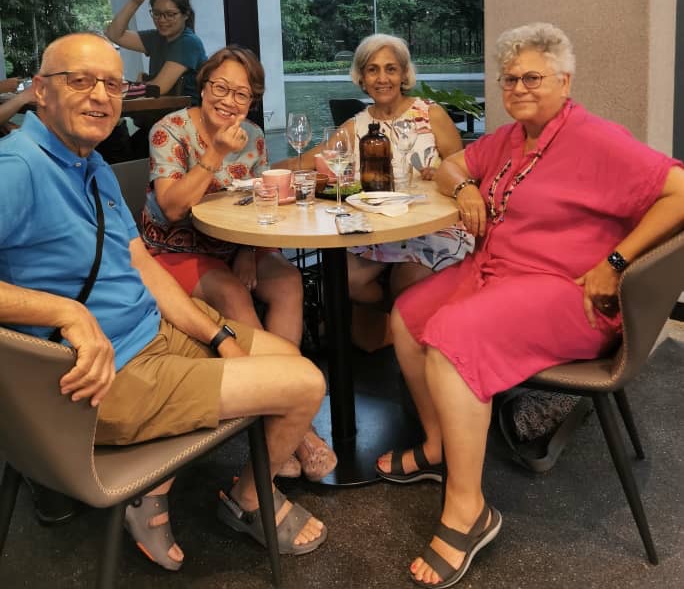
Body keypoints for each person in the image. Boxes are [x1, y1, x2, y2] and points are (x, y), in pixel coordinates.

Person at [0, 33, 328, 572]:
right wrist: (65, 312)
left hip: (152, 331)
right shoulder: (18, 167)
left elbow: (143, 266)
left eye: (112, 84)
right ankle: (248, 501)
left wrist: (216, 335)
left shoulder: (90, 163)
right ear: (41, 90)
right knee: (306, 384)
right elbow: (168, 225)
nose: (100, 96)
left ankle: (193, 488)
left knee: (288, 358)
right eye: (80, 81)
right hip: (102, 377)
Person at [375, 22, 684, 588]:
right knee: (406, 317)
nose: (517, 88)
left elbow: (680, 193)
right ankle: (438, 444)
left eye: (532, 78)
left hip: (568, 291)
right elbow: (451, 166)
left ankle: (468, 511)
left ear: (565, 82)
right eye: (509, 78)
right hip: (497, 275)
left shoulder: (595, 139)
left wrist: (615, 263)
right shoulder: (511, 138)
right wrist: (464, 187)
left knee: (451, 340)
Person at [142, 44, 337, 482]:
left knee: (287, 282)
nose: (229, 101)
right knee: (233, 294)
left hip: (233, 244)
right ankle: (294, 423)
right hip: (176, 248)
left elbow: (255, 197)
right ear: (203, 86)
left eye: (242, 94)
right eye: (221, 88)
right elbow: (171, 208)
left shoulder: (252, 135)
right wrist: (213, 154)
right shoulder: (169, 130)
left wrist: (248, 251)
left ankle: (285, 407)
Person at [278, 34, 474, 304]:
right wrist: (264, 171)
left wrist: (442, 174)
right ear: (362, 77)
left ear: (403, 74)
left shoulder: (430, 114)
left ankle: (398, 317)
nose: (382, 78)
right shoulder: (354, 126)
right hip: (377, 231)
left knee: (407, 281)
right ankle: (387, 321)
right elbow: (306, 161)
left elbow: (464, 168)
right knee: (343, 281)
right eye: (373, 70)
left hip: (432, 228)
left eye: (390, 69)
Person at [105, 0, 207, 105]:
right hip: (160, 112)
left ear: (185, 14)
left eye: (170, 14)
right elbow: (114, 34)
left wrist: (126, 88)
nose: (162, 20)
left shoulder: (188, 43)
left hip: (187, 114)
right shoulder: (156, 37)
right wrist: (135, 2)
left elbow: (158, 88)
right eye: (156, 14)